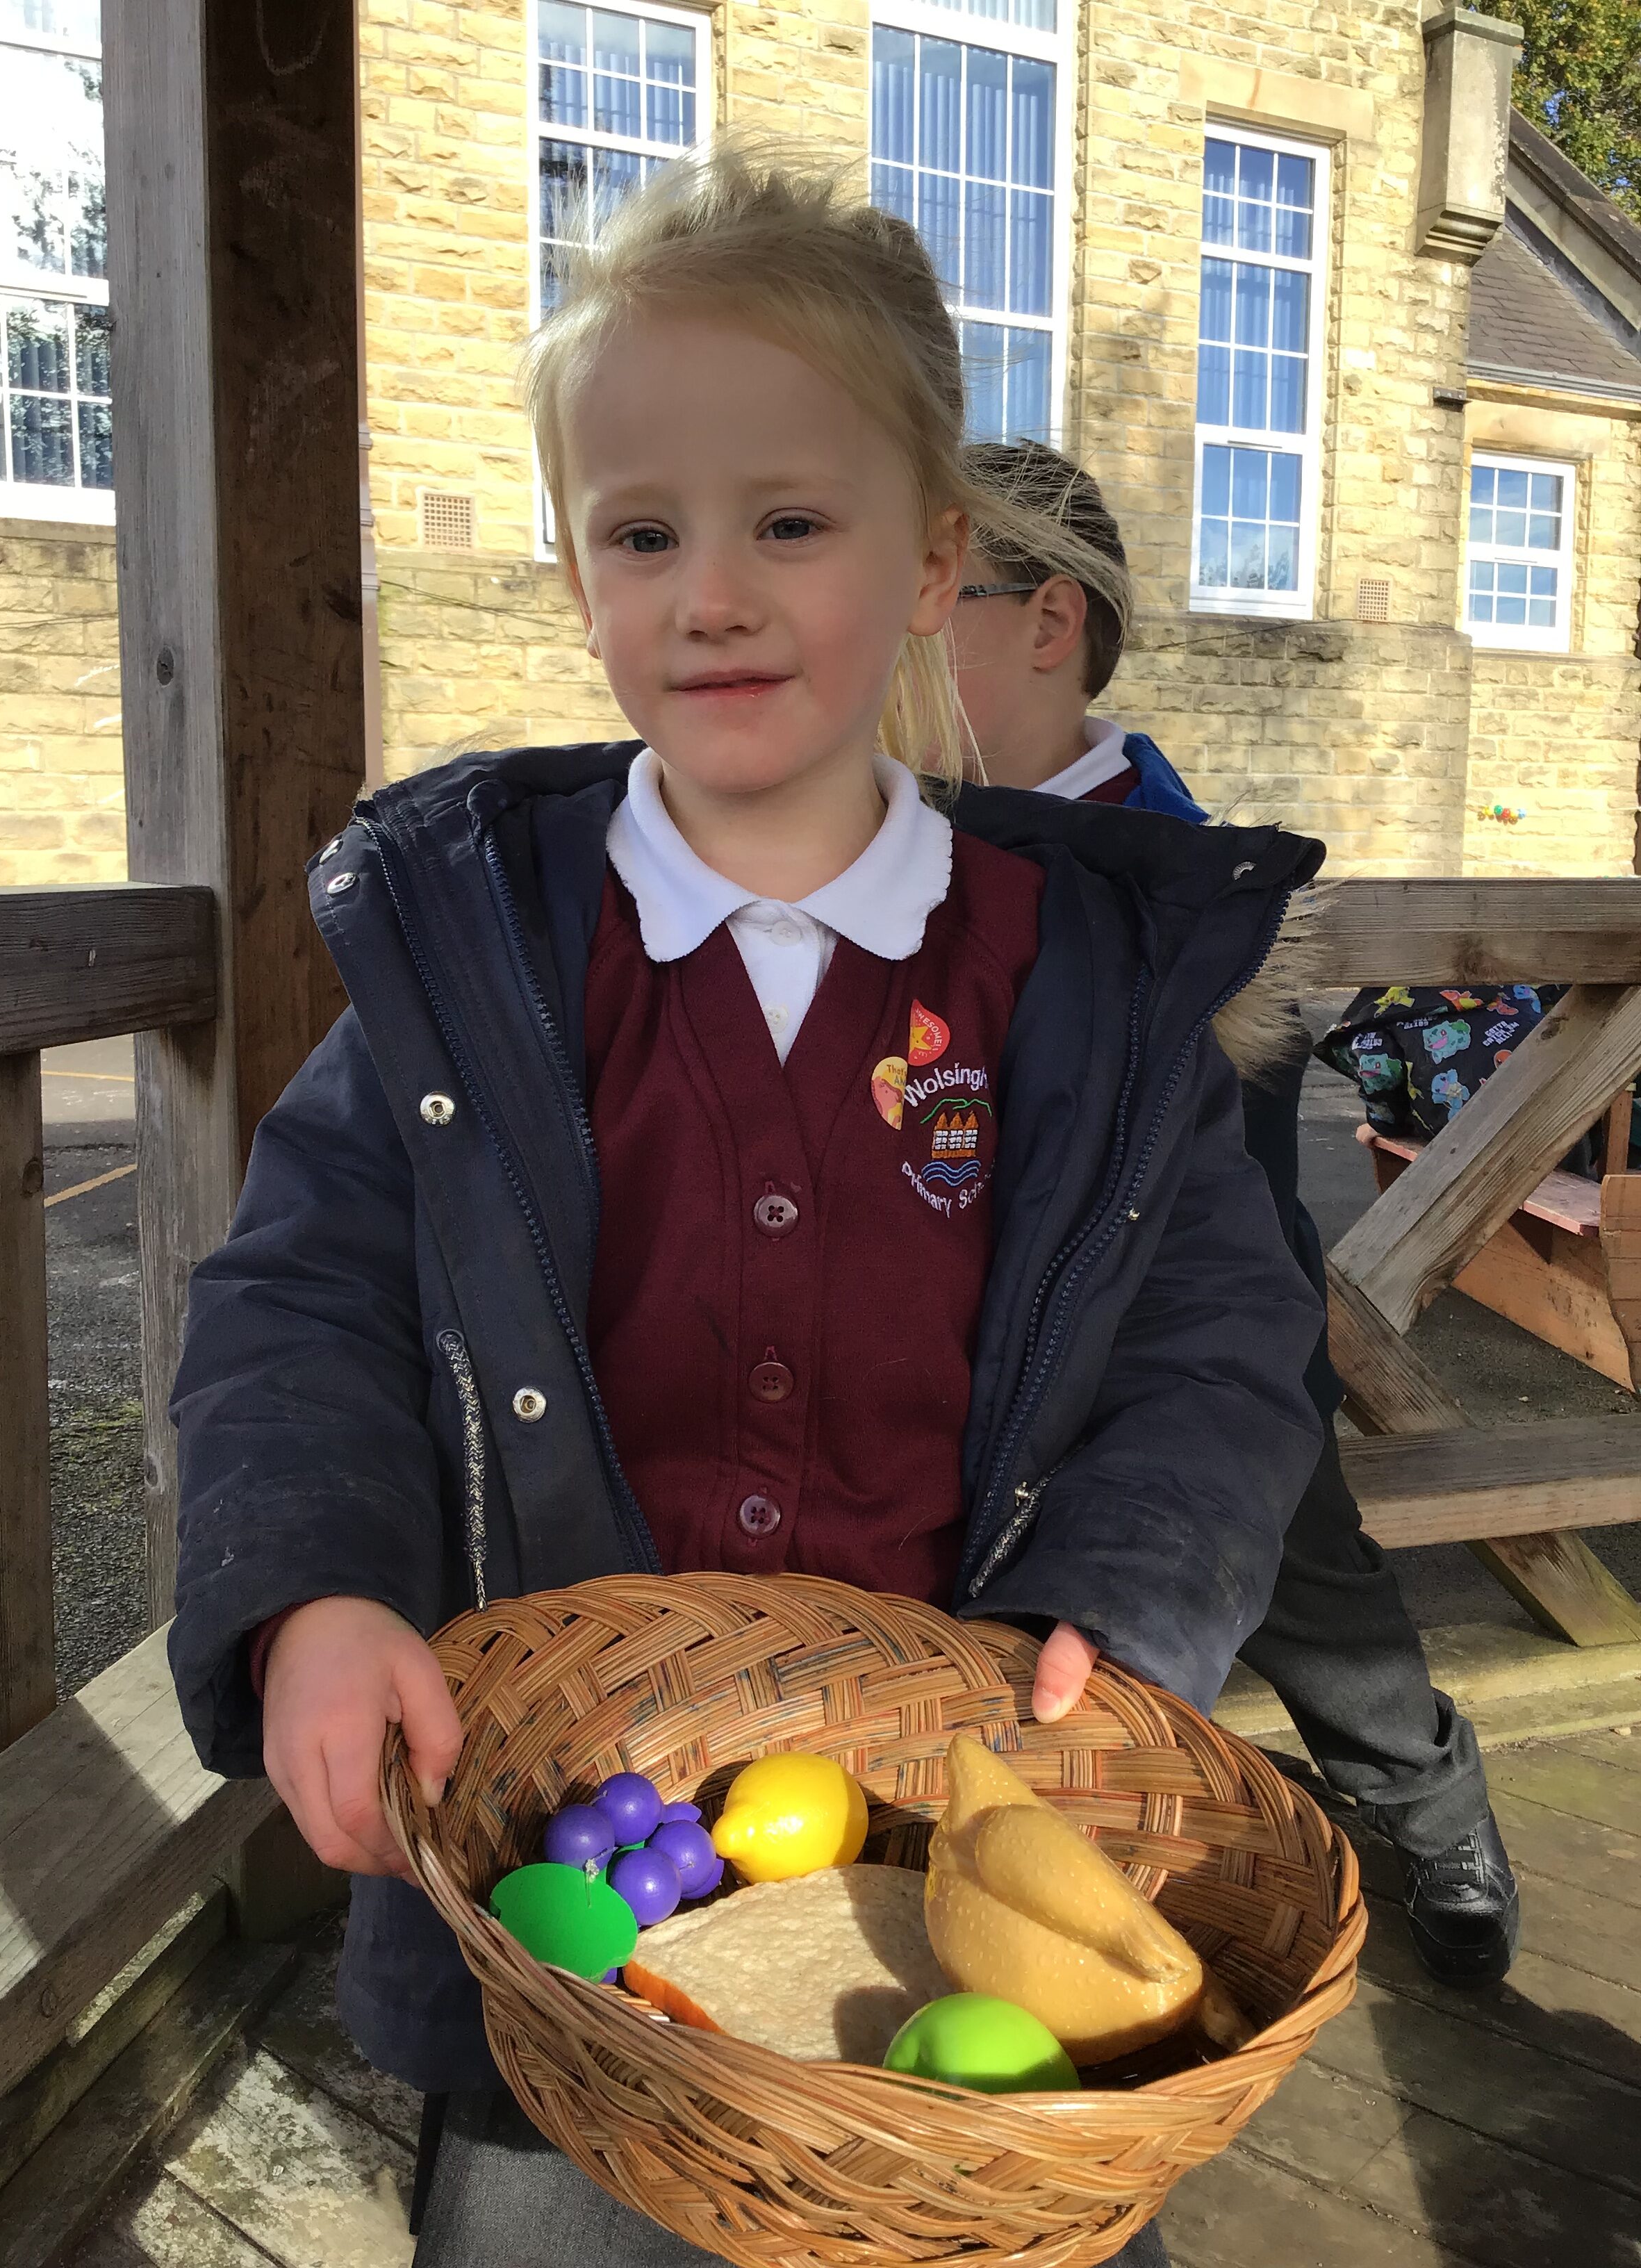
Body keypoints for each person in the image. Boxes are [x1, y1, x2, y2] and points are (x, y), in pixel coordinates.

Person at [167, 151, 1330, 2267]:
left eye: (789, 523)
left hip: (957, 1848)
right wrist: (314, 1592)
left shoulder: (1071, 979)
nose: (712, 593)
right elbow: (300, 1306)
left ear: (932, 560)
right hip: (561, 1894)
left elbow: (1221, 1342)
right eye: (644, 534)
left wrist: (1133, 1591)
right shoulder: (474, 959)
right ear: (577, 575)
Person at [950, 438, 1520, 1989]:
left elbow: (1232, 1214)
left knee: (1308, 1583)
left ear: (1049, 620)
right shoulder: (875, 833)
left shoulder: (1181, 872)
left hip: (1184, 1338)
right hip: (964, 1341)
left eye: (931, 598)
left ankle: (1428, 1798)